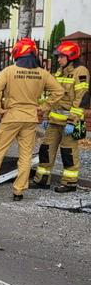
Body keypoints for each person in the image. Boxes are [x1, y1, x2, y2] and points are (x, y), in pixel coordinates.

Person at [0, 38, 64, 201]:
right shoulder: (43, 73)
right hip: (30, 119)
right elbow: (59, 92)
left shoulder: (9, 71)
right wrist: (43, 107)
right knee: (25, 156)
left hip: (11, 116)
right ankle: (18, 192)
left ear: (18, 53)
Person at [31, 39, 90, 193]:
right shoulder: (59, 71)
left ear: (70, 56)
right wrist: (47, 114)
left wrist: (73, 121)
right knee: (46, 149)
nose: (58, 59)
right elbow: (54, 96)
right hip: (54, 121)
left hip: (71, 123)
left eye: (61, 56)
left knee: (68, 152)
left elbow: (82, 98)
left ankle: (70, 183)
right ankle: (42, 180)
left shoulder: (80, 71)